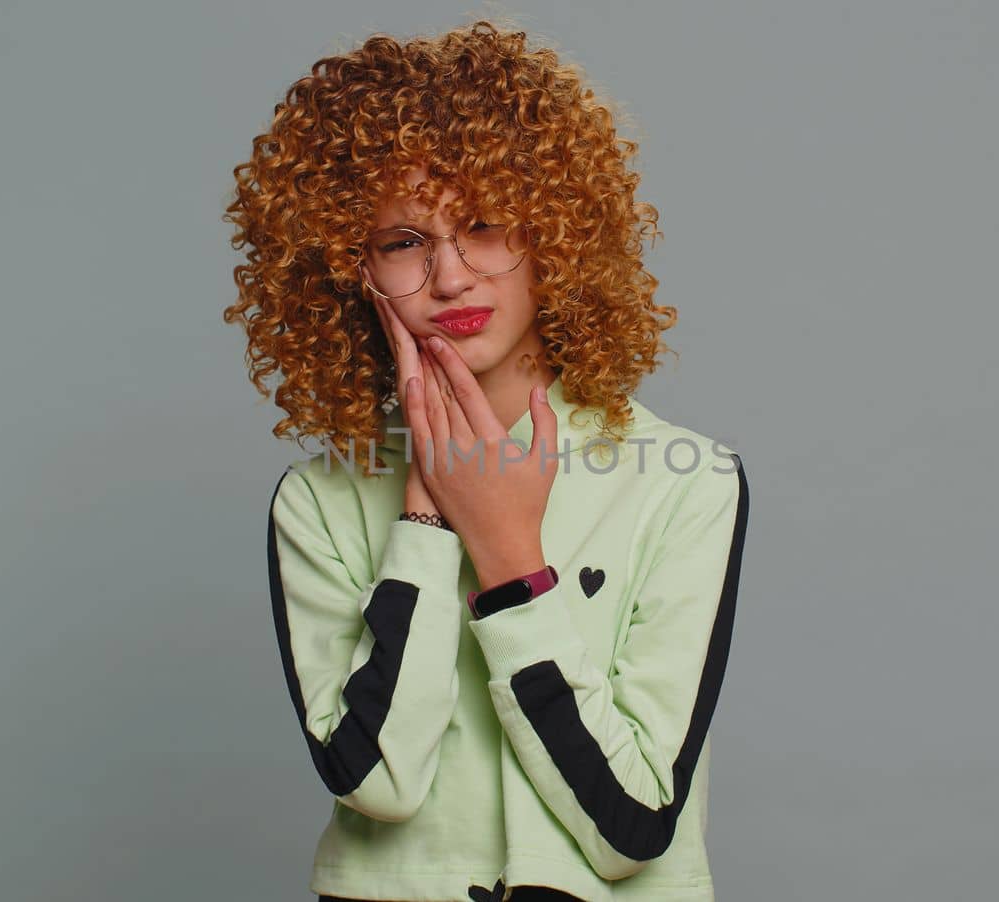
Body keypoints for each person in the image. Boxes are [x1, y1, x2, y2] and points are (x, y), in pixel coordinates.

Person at [224, 20, 749, 902]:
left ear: (555, 236)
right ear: (352, 272)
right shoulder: (317, 502)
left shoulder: (683, 481)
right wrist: (428, 517)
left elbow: (631, 826)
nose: (453, 276)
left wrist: (508, 558)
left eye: (485, 226)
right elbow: (379, 785)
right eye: (404, 243)